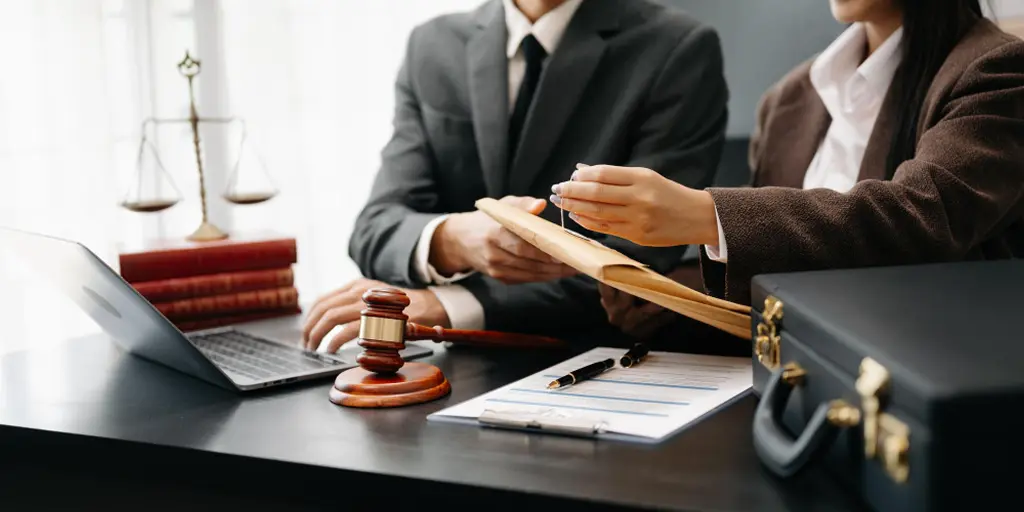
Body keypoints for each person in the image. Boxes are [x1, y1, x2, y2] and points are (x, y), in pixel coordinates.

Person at [550, 0, 1024, 345]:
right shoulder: (789, 99)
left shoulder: (996, 70)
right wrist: (671, 297)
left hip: (921, 375)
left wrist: (706, 214)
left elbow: (922, 217)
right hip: (783, 378)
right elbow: (787, 260)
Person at [301, 0, 731, 353]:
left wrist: (450, 304)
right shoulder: (431, 46)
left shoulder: (677, 48)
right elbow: (376, 225)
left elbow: (637, 267)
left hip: (587, 361)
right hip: (436, 359)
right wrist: (454, 239)